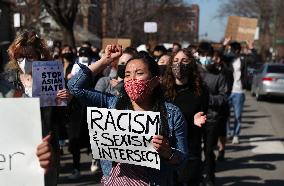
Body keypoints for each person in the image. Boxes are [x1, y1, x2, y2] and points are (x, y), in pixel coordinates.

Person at [6, 30, 70, 186]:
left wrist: (65, 101)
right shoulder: (6, 80)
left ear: (39, 56)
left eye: (29, 57)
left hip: (46, 146)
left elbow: (63, 119)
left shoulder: (52, 78)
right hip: (16, 148)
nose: (24, 61)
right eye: (20, 57)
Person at [161, 48, 208, 186]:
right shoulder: (162, 90)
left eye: (184, 61)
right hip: (167, 149)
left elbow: (201, 120)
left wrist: (195, 123)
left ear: (191, 64)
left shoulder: (200, 90)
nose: (179, 64)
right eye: (175, 61)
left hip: (190, 149)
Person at [197, 42, 228, 186]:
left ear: (211, 56)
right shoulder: (193, 72)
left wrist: (209, 99)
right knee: (194, 151)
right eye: (201, 55)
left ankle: (209, 178)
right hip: (194, 117)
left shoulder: (218, 75)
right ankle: (195, 176)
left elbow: (223, 97)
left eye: (207, 55)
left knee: (209, 151)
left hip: (211, 118)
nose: (204, 58)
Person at [222, 38, 254, 144]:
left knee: (237, 115)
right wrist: (224, 45)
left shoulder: (243, 60)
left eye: (233, 50)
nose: (232, 52)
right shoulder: (228, 59)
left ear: (237, 50)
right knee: (226, 114)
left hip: (239, 91)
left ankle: (236, 135)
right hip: (228, 91)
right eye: (230, 49)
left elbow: (254, 60)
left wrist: (251, 48)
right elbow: (220, 56)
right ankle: (228, 133)